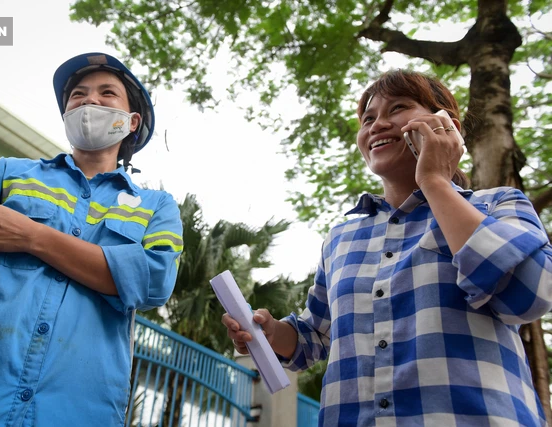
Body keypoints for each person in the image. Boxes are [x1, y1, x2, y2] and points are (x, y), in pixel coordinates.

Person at [223, 70, 552, 426]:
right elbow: (315, 335)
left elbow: (529, 294)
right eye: (368, 119)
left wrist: (434, 182)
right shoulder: (340, 238)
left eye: (397, 108)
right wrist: (269, 334)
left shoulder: (500, 205)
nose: (377, 125)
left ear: (446, 125)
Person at [0, 52, 183, 426]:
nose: (90, 101)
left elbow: (153, 281)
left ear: (132, 121)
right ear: (66, 115)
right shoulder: (9, 173)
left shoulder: (157, 206)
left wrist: (30, 235)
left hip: (77, 412)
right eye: (78, 94)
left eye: (107, 93)